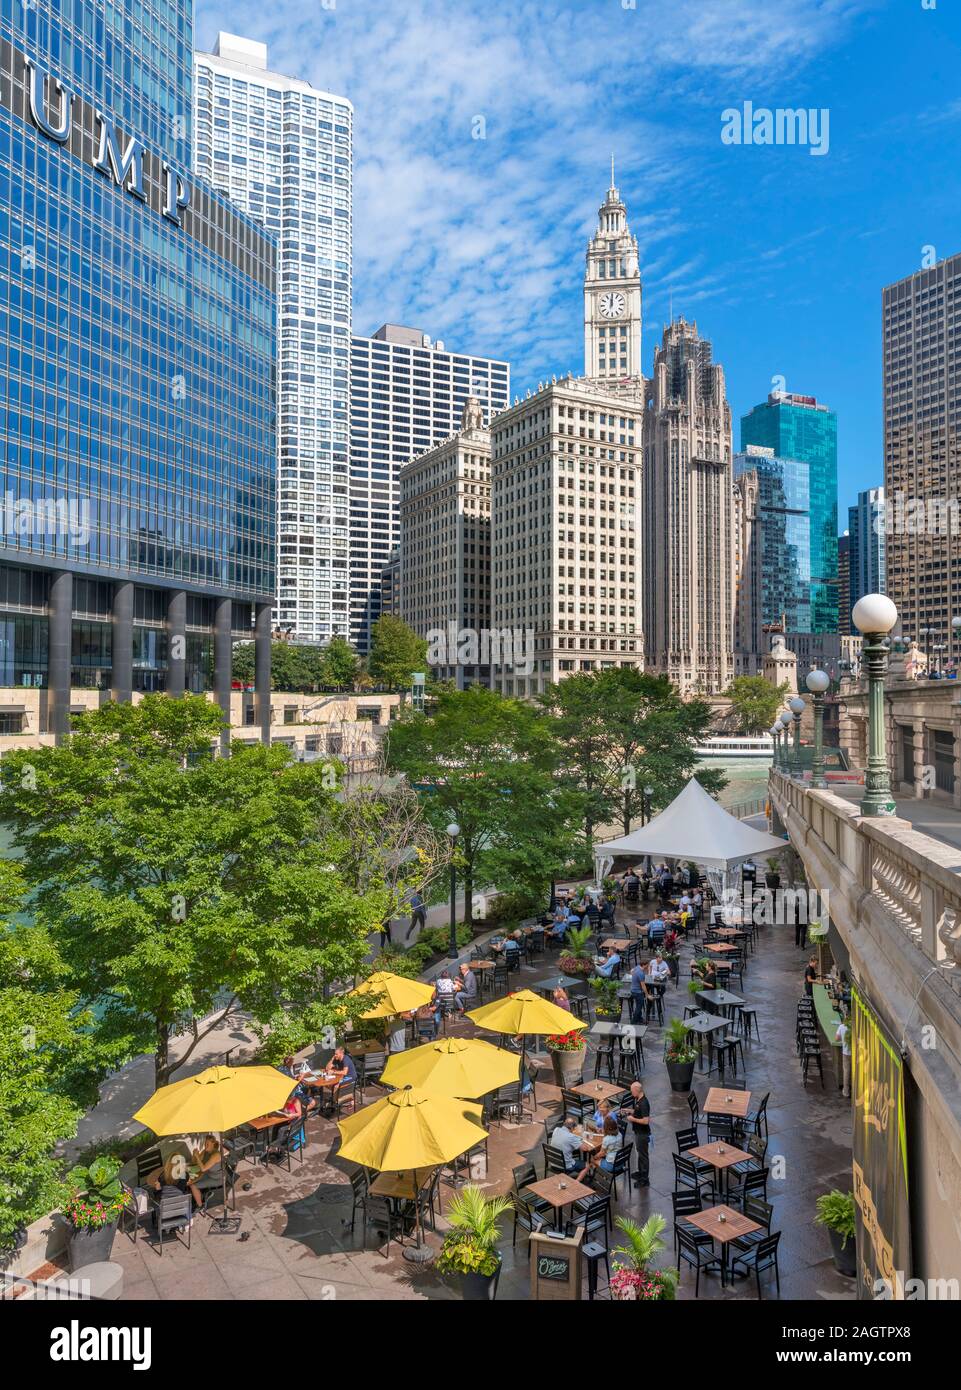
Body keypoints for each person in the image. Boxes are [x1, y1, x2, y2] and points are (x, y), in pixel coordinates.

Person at [623, 1081, 651, 1186]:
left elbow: (646, 1120)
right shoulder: (639, 1100)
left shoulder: (643, 1103)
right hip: (638, 1132)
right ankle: (640, 1172)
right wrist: (630, 1111)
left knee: (643, 1155)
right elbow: (638, 1112)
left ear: (637, 1090)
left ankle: (644, 1179)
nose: (631, 1093)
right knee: (640, 1153)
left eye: (632, 1091)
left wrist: (632, 1119)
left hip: (643, 1134)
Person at [187, 1135, 225, 1207]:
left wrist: (197, 1156)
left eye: (207, 1144)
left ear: (213, 1144)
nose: (205, 1146)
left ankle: (200, 1205)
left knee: (193, 1185)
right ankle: (195, 1195)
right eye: (205, 1143)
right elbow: (195, 1163)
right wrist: (194, 1155)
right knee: (189, 1173)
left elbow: (203, 1168)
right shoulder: (206, 1151)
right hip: (208, 1173)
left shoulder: (216, 1155)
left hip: (217, 1179)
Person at [629, 960, 651, 1025]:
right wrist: (647, 995)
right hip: (637, 992)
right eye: (648, 965)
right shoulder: (641, 973)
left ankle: (640, 1018)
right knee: (639, 1007)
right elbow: (643, 986)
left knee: (640, 1005)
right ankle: (633, 1021)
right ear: (644, 965)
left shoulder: (637, 967)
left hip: (633, 990)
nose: (648, 966)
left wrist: (633, 976)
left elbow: (631, 971)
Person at [835, 1013, 851, 1098]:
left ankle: (846, 1091)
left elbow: (836, 1038)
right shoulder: (854, 1027)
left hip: (846, 1052)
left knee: (846, 1071)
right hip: (855, 1053)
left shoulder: (842, 1027)